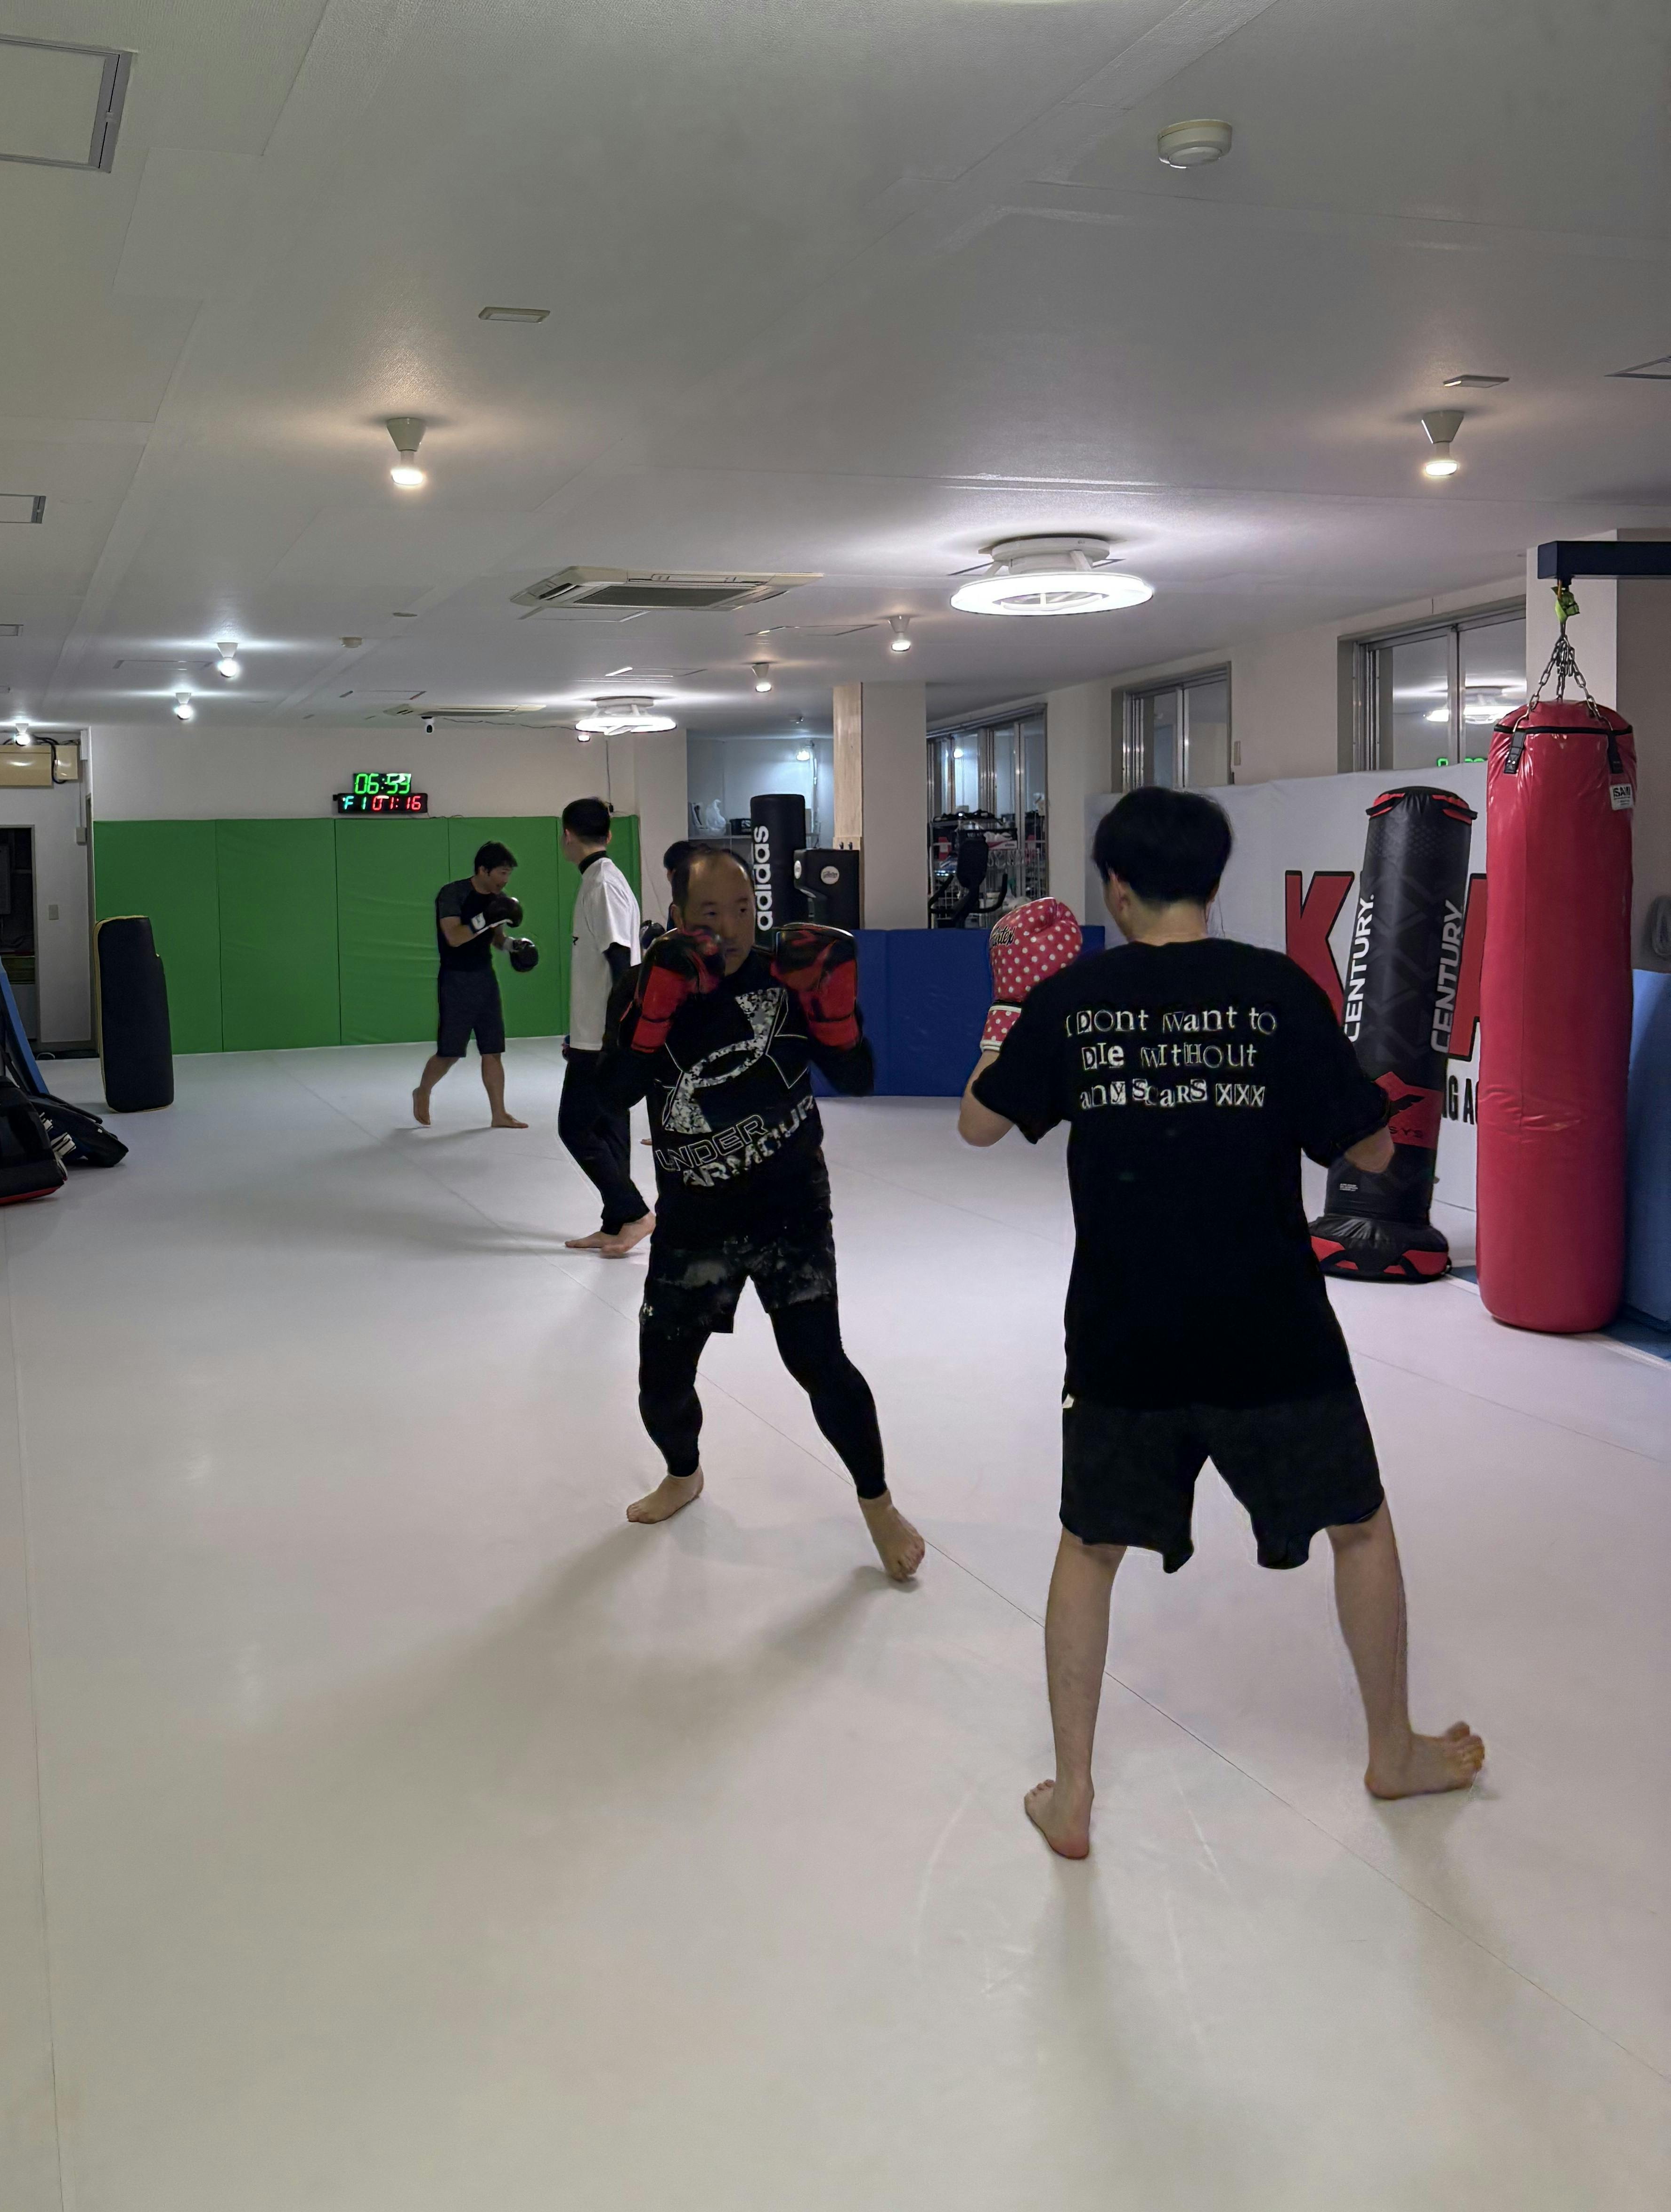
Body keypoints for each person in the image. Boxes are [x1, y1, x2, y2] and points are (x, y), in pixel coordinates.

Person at [958, 786, 1483, 1858]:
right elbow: (1371, 1150)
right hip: (1270, 1329)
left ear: (1115, 886)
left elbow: (977, 1124)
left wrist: (1011, 1011)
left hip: (1124, 1334)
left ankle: (1072, 1794)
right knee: (1359, 1526)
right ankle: (1393, 1752)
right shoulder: (1275, 990)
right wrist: (1336, 1107)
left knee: (1089, 1547)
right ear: (1212, 878)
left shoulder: (1075, 999)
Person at [601, 845, 925, 1581]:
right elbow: (609, 1097)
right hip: (694, 1219)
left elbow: (859, 1077)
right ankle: (684, 1474)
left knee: (818, 1361)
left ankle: (877, 1504)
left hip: (789, 1206)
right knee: (661, 1382)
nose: (731, 927)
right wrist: (651, 1019)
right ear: (677, 916)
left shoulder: (791, 973)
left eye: (744, 909)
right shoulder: (647, 982)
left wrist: (835, 1018)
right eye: (710, 912)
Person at [558, 798, 652, 1256]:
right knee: (611, 1129)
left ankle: (635, 1213)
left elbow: (621, 964)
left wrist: (615, 1037)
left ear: (567, 836)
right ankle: (616, 1223)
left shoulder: (602, 885)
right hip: (595, 1034)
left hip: (603, 1040)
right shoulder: (599, 880)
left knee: (574, 1128)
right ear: (609, 835)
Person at [413, 842, 528, 1129]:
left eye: (509, 874)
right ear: (483, 870)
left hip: (485, 977)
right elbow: (454, 937)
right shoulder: (453, 894)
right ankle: (423, 1090)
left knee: (493, 1049)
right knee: (450, 1053)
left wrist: (514, 946)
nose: (505, 880)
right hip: (456, 980)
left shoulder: (499, 899)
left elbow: (497, 938)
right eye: (502, 873)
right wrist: (485, 918)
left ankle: (499, 1114)